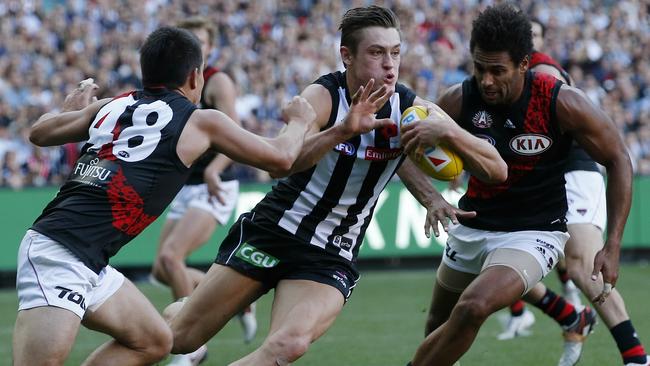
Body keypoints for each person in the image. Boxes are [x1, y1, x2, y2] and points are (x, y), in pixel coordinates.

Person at [164, 5, 507, 366]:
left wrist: (434, 183)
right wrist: (341, 130)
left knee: (288, 345)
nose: (390, 64)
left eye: (395, 52)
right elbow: (283, 164)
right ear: (347, 56)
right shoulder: (323, 96)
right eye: (376, 53)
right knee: (180, 339)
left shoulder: (410, 110)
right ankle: (183, 310)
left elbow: (495, 170)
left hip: (330, 254)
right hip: (275, 230)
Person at [12, 26, 315, 366]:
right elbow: (282, 158)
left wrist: (66, 111)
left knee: (154, 341)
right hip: (60, 254)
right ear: (194, 76)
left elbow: (40, 132)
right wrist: (300, 121)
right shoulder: (201, 121)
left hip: (88, 259)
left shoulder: (113, 105)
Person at [404, 4, 633, 366]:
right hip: (472, 227)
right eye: (480, 69)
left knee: (474, 306)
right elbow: (401, 151)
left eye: (498, 71)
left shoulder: (560, 101)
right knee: (437, 324)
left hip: (534, 232)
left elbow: (619, 157)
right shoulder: (459, 99)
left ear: (524, 64)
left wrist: (613, 242)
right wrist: (431, 197)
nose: (487, 81)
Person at [498, 18, 648, 366]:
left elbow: (549, 132)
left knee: (583, 267)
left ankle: (636, 357)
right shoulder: (498, 77)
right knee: (497, 259)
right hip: (536, 173)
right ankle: (569, 315)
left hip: (571, 168)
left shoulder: (544, 71)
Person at [149, 18, 257, 358]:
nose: (195, 47)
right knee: (160, 270)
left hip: (214, 185)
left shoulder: (216, 81)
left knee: (171, 257)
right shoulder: (173, 83)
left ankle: (191, 348)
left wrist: (214, 169)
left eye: (201, 41)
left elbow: (235, 132)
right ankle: (237, 300)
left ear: (210, 48)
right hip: (184, 186)